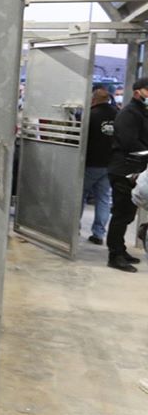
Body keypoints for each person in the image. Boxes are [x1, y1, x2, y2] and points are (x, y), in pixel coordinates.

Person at [106, 77, 148, 272]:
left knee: (128, 214)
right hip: (124, 170)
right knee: (121, 214)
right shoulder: (129, 113)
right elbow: (129, 142)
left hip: (135, 170)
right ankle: (114, 255)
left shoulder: (142, 112)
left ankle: (121, 250)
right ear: (138, 91)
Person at [83, 88, 117, 246]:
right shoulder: (118, 114)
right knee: (103, 199)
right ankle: (98, 234)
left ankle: (71, 229)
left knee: (80, 196)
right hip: (110, 164)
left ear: (94, 99)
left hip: (91, 163)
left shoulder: (90, 115)